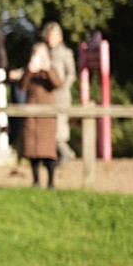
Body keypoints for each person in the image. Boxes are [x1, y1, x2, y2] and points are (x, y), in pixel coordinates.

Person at [19, 42, 63, 188]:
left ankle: (51, 182)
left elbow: (58, 84)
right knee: (33, 152)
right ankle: (36, 181)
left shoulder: (51, 70)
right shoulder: (30, 72)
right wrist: (30, 71)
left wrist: (48, 68)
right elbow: (21, 86)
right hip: (31, 116)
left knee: (48, 152)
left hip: (47, 117)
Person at [42, 21, 77, 166]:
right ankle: (63, 153)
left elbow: (71, 74)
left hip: (60, 95)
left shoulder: (65, 53)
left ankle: (65, 152)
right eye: (50, 35)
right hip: (47, 95)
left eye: (55, 35)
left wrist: (63, 87)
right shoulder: (44, 52)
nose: (52, 38)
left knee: (60, 124)